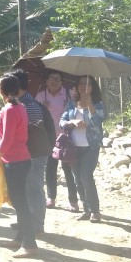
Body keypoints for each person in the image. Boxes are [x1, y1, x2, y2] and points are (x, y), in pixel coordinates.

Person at [0, 75, 38, 257]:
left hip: (15, 160)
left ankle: (30, 243)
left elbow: (8, 137)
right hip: (18, 159)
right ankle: (20, 238)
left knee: (20, 203)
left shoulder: (11, 109)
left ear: (2, 90)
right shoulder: (19, 106)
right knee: (19, 201)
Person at [7, 68, 52, 235]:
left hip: (35, 152)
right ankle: (27, 220)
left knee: (34, 187)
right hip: (28, 152)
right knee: (26, 188)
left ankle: (37, 225)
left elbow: (27, 131)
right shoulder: (22, 103)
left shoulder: (29, 105)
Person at [61, 75, 105, 223]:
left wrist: (90, 105)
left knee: (86, 176)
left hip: (91, 147)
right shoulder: (71, 104)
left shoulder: (98, 103)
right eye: (81, 83)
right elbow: (62, 122)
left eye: (88, 84)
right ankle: (86, 209)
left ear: (93, 87)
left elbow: (98, 120)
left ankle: (95, 211)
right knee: (77, 179)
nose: (83, 86)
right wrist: (72, 121)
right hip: (74, 147)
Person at [40, 70, 79, 211]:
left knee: (69, 170)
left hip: (67, 138)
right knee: (50, 168)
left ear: (62, 82)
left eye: (57, 78)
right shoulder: (40, 96)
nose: (54, 81)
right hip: (48, 138)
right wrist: (42, 108)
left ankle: (73, 201)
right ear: (46, 81)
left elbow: (76, 111)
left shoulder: (70, 95)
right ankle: (51, 198)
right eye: (51, 78)